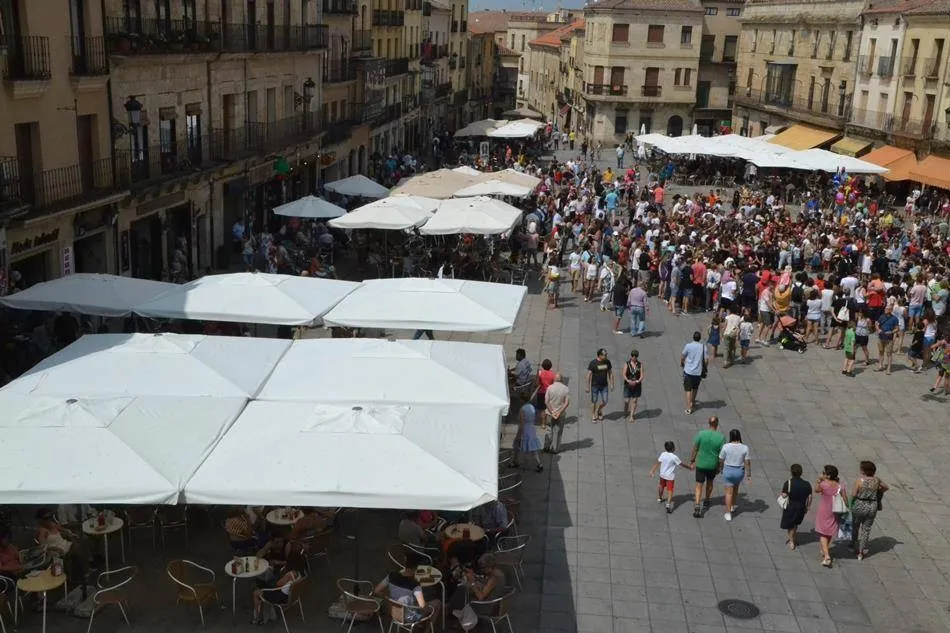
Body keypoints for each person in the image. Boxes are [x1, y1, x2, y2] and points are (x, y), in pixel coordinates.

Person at [373, 550, 439, 626]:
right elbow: (423, 606)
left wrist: (387, 597)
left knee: (413, 600)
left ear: (405, 563)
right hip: (408, 617)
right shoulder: (415, 585)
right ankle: (427, 631)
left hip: (393, 612)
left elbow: (376, 591)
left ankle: (420, 625)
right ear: (416, 568)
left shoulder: (391, 576)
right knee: (437, 603)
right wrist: (427, 606)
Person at [252, 550, 306, 624]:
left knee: (256, 592)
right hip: (291, 596)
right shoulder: (301, 574)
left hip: (281, 597)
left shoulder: (290, 574)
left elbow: (278, 584)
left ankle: (257, 618)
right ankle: (268, 614)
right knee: (264, 585)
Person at [850, 461, 888, 561]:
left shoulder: (859, 480)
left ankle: (854, 544)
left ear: (863, 470)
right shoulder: (877, 480)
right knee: (866, 529)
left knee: (855, 525)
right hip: (872, 506)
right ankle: (861, 552)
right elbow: (886, 487)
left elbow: (854, 494)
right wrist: (879, 492)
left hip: (859, 505)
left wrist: (850, 504)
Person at [689, 416, 726, 518]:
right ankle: (707, 499)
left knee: (698, 485)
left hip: (701, 464)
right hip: (712, 465)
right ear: (717, 424)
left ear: (708, 423)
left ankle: (697, 503)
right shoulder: (721, 438)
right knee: (710, 483)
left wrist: (692, 460)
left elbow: (695, 449)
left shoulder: (701, 434)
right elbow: (722, 455)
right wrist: (719, 467)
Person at [814, 465, 848, 568]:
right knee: (829, 531)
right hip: (835, 511)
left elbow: (816, 490)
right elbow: (846, 500)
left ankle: (827, 556)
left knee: (822, 532)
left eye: (824, 473)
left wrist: (819, 480)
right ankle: (825, 550)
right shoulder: (840, 486)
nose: (823, 474)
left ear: (828, 475)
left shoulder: (824, 484)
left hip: (824, 511)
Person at [649, 441, 693, 513]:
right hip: (670, 476)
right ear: (673, 448)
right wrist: (690, 468)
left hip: (662, 474)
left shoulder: (663, 454)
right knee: (670, 490)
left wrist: (652, 471)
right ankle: (668, 504)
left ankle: (660, 498)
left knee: (661, 486)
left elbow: (658, 463)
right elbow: (682, 464)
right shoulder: (674, 457)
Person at [718, 429, 750, 522]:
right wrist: (749, 474)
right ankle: (732, 506)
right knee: (736, 489)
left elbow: (721, 459)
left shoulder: (726, 446)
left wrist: (720, 468)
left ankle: (728, 513)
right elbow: (747, 461)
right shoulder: (745, 447)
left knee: (728, 493)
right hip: (739, 471)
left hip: (728, 470)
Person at [778, 464, 812, 550]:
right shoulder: (807, 484)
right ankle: (793, 537)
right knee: (795, 523)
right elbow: (810, 497)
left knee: (790, 525)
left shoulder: (788, 483)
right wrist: (808, 507)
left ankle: (791, 541)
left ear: (791, 472)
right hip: (801, 507)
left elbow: (784, 495)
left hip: (791, 507)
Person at [512, 401, 543, 473]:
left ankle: (514, 462)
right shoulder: (532, 408)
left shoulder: (522, 409)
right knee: (533, 449)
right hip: (531, 429)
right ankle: (539, 464)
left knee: (516, 446)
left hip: (524, 430)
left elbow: (522, 422)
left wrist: (520, 434)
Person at [543, 374, 571, 454]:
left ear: (554, 379)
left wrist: (552, 412)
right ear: (561, 380)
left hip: (549, 413)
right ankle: (555, 449)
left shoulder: (550, 388)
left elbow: (546, 402)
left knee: (549, 430)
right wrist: (559, 412)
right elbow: (566, 403)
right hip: (560, 414)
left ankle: (546, 447)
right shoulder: (566, 389)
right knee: (558, 431)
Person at [586, 348, 613, 422]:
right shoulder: (593, 363)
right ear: (600, 355)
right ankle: (593, 415)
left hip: (604, 385)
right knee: (594, 401)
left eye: (606, 354)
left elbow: (610, 373)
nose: (606, 356)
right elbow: (588, 375)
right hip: (595, 385)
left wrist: (611, 384)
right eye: (605, 355)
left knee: (605, 401)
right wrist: (587, 386)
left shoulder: (607, 362)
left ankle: (599, 409)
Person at [681, 331, 705, 415]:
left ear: (693, 337)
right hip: (698, 372)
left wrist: (682, 362)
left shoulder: (688, 346)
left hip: (688, 371)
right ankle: (692, 402)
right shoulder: (703, 347)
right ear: (700, 338)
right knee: (695, 388)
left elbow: (683, 355)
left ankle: (688, 408)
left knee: (688, 390)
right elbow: (706, 360)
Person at [875, 304, 900, 374]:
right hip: (881, 337)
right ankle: (880, 366)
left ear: (891, 310)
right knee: (880, 352)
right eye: (885, 309)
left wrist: (891, 332)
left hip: (889, 339)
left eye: (887, 309)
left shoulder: (894, 319)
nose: (885, 310)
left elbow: (897, 329)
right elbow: (877, 324)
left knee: (889, 354)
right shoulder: (882, 316)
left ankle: (889, 368)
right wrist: (878, 329)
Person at [621, 349, 644, 423]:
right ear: (631, 356)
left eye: (635, 357)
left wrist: (638, 381)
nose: (634, 358)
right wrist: (628, 380)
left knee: (634, 400)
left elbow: (642, 375)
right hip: (628, 384)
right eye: (633, 356)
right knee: (626, 400)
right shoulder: (627, 364)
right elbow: (624, 374)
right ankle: (625, 410)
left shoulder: (640, 365)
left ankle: (631, 416)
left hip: (636, 385)